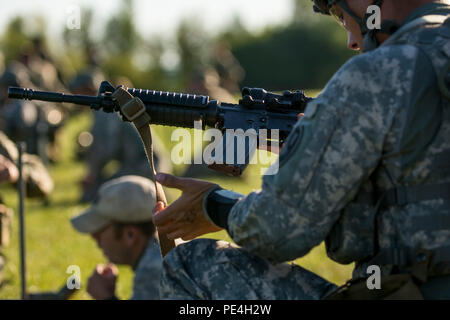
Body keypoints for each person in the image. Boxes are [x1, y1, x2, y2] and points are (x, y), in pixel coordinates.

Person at [151, 0, 450, 299]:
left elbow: (276, 230)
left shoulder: (378, 72)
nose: (351, 41)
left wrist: (211, 205)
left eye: (339, 14)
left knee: (190, 265)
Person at [69, 71, 172, 203]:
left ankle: (151, 191)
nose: (73, 95)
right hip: (147, 164)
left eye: (76, 91)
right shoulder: (111, 104)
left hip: (144, 166)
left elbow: (107, 149)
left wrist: (93, 175)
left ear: (87, 89)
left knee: (95, 194)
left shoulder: (106, 108)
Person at [70, 175, 162, 300]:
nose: (93, 237)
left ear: (130, 235)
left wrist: (106, 298)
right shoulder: (167, 250)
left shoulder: (153, 271)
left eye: (99, 231)